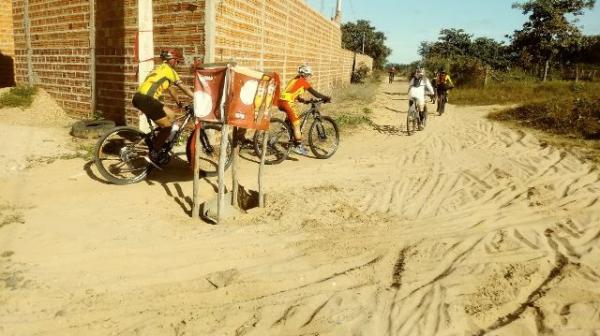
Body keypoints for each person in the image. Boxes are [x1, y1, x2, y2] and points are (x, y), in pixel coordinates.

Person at [132, 49, 194, 164]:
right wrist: (196, 98)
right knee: (167, 127)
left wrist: (178, 102)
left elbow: (171, 89)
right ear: (172, 60)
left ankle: (158, 140)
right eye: (177, 61)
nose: (177, 64)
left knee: (172, 115)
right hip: (148, 100)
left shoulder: (159, 69)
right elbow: (183, 87)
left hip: (139, 97)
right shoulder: (170, 71)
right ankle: (154, 152)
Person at [278, 64, 331, 155]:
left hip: (281, 101)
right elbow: (315, 93)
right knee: (297, 124)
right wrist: (326, 98)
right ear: (305, 74)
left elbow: (293, 92)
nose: (310, 77)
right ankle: (297, 146)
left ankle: (288, 134)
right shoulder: (303, 82)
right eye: (309, 75)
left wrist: (303, 100)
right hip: (287, 103)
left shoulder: (295, 79)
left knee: (291, 121)